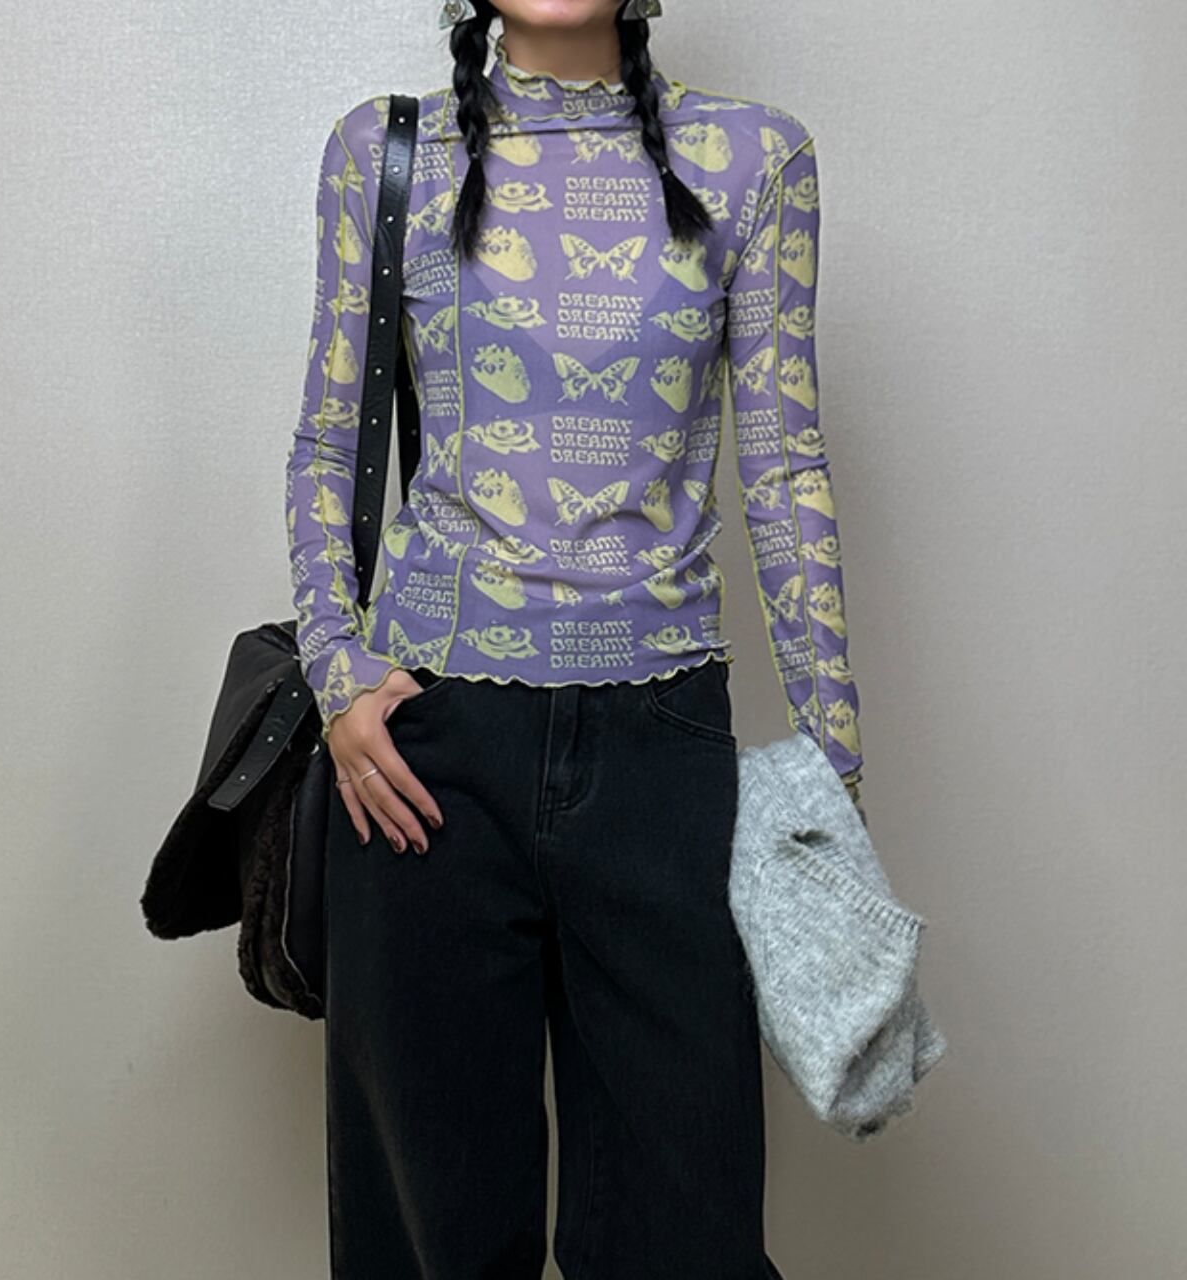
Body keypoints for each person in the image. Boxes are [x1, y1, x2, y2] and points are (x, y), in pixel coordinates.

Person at [284, 2, 862, 1275]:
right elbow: (330, 442)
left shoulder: (753, 158)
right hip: (422, 750)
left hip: (662, 750)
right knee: (429, 1238)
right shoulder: (383, 152)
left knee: (685, 1233)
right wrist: (337, 672)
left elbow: (782, 468)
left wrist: (831, 766)